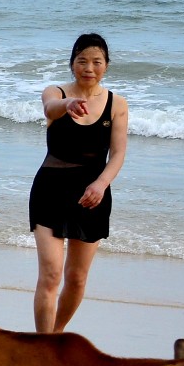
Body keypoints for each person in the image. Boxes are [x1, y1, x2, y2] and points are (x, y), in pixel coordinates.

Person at [28, 32, 128, 333]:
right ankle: (43, 348)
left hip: (92, 195)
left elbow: (119, 153)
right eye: (82, 60)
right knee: (50, 274)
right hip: (50, 191)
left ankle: (55, 336)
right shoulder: (55, 93)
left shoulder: (117, 104)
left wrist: (101, 184)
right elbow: (50, 109)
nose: (89, 67)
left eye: (97, 62)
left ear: (106, 66)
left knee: (76, 278)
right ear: (72, 64)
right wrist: (68, 103)